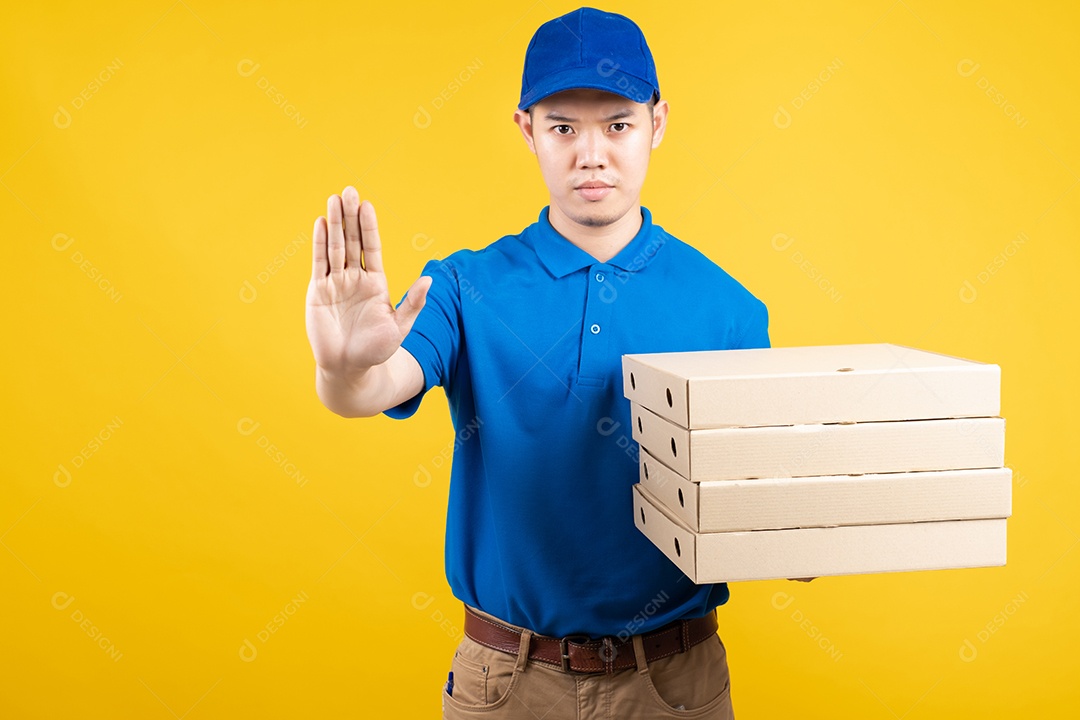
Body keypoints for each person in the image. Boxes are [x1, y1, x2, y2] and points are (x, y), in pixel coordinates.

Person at [306, 7, 787, 719]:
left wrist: (806, 529)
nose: (591, 154)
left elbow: (764, 502)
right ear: (526, 130)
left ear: (657, 123)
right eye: (563, 127)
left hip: (674, 682)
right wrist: (344, 368)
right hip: (505, 681)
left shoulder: (728, 308)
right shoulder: (463, 286)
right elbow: (372, 387)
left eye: (617, 125)